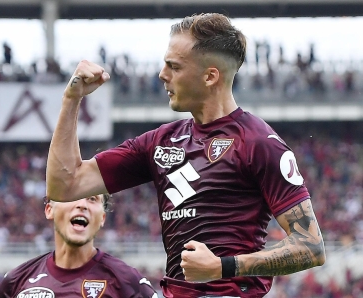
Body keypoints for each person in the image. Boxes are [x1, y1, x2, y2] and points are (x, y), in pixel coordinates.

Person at [46, 13, 326, 297]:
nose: (162, 74)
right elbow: (66, 185)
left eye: (173, 66)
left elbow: (311, 246)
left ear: (210, 76)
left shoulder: (258, 142)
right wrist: (72, 99)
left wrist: (222, 267)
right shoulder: (160, 142)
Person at [0, 194, 158, 298]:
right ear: (49, 209)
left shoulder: (127, 282)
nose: (82, 205)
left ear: (102, 218)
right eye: (71, 196)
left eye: (92, 198)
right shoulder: (16, 281)